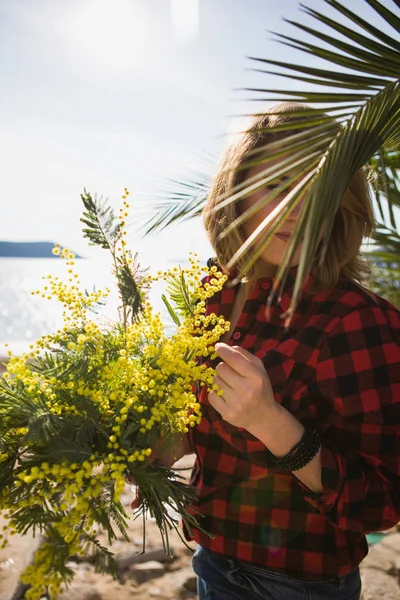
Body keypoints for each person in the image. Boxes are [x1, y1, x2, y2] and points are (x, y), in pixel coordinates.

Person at [140, 103, 400, 600]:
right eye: (278, 186)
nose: (296, 209)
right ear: (236, 195)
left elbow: (383, 505)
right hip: (212, 560)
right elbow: (203, 430)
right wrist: (147, 448)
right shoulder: (218, 295)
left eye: (315, 189)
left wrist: (271, 421)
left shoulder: (360, 321)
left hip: (302, 585)